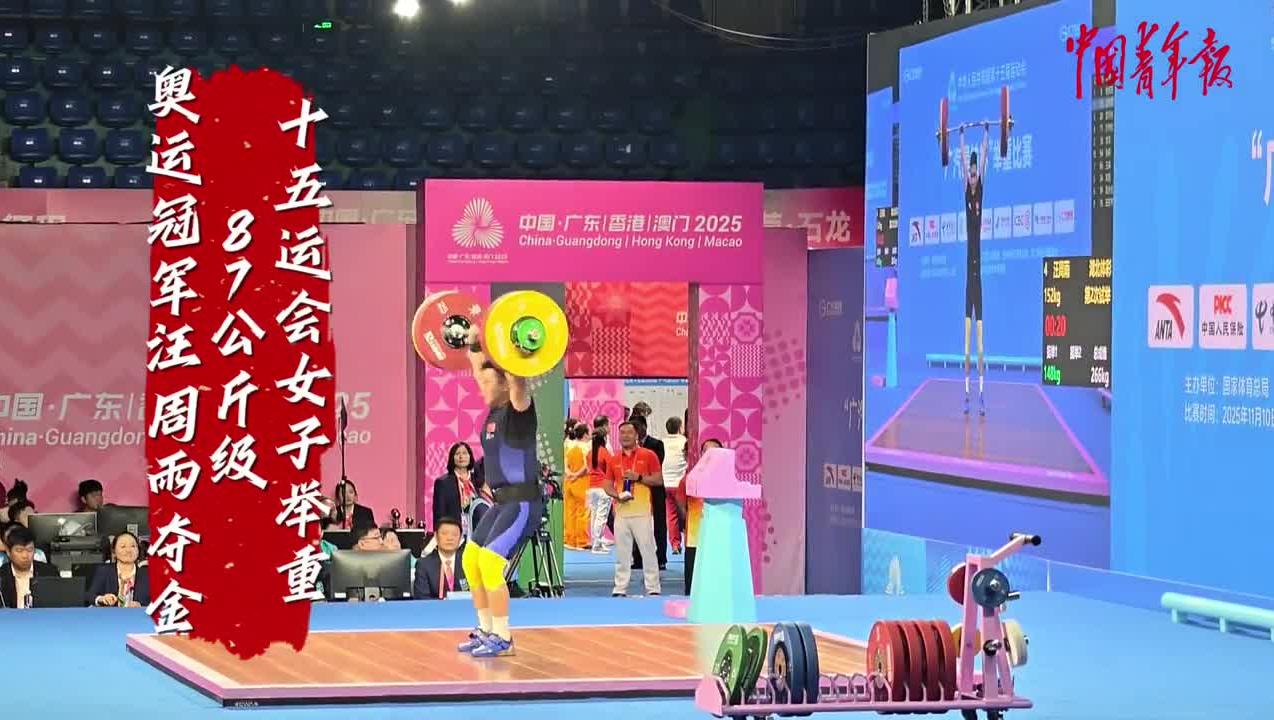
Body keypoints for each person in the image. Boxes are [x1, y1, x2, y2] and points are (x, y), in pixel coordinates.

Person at [456, 324, 542, 658]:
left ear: (505, 383)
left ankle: (503, 638)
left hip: (522, 503)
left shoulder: (520, 412)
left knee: (491, 563)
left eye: (490, 383)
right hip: (501, 502)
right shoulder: (493, 411)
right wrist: (474, 345)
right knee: (471, 559)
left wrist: (512, 355)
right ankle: (486, 629)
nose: (482, 387)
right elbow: (481, 369)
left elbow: (519, 382)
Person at [605, 421, 662, 597]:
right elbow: (607, 484)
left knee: (648, 551)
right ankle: (620, 588)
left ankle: (653, 588)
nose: (625, 436)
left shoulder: (649, 455)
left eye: (629, 432)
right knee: (622, 553)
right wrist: (616, 496)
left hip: (642, 512)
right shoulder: (614, 459)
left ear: (637, 435)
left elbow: (658, 480)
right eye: (622, 433)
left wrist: (639, 477)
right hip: (621, 512)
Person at [960, 123, 990, 416]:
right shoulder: (966, 195)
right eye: (969, 173)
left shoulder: (980, 191)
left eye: (973, 173)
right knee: (966, 343)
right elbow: (961, 159)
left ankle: (981, 393)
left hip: (978, 282)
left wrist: (986, 134)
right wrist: (959, 137)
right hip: (968, 283)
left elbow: (983, 157)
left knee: (980, 342)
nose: (971, 176)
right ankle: (966, 393)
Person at [677, 438, 723, 596]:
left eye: (714, 451)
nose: (710, 455)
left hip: (718, 537)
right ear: (701, 454)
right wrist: (691, 522)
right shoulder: (690, 478)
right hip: (695, 537)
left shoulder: (727, 479)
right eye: (706, 451)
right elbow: (681, 503)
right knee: (693, 582)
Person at [628, 414, 667, 572]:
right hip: (637, 491)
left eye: (637, 427)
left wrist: (640, 474)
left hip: (655, 488)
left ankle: (661, 558)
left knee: (659, 525)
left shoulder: (657, 444)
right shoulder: (630, 447)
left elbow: (656, 465)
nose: (635, 431)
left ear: (645, 426)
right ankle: (637, 558)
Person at [0, 525, 58, 609]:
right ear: (8, 552)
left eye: (30, 550)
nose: (25, 555)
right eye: (19, 550)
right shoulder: (2, 575)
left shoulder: (49, 572)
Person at [432, 442, 483, 536]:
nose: (461, 457)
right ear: (452, 458)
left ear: (470, 456)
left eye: (464, 453)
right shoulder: (443, 482)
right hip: (453, 533)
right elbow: (439, 514)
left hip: (477, 532)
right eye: (457, 454)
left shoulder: (478, 480)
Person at [89, 531, 149, 607]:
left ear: (138, 550)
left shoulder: (149, 574)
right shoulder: (103, 571)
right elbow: (90, 596)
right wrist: (101, 599)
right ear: (114, 551)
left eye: (133, 546)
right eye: (123, 546)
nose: (128, 550)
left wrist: (140, 606)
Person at [414, 517, 467, 599]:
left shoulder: (468, 563)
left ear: (460, 538)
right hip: (434, 607)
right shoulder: (424, 565)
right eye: (444, 533)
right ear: (436, 536)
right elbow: (422, 599)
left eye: (454, 534)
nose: (450, 538)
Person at [662, 416, 689, 555]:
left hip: (666, 483)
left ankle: (675, 544)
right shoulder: (684, 441)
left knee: (671, 515)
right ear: (680, 427)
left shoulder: (662, 442)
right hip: (680, 484)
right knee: (685, 514)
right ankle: (689, 541)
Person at [562, 423, 591, 550]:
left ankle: (570, 540)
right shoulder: (587, 448)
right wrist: (576, 475)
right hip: (581, 482)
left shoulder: (569, 445)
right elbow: (587, 467)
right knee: (582, 512)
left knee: (569, 512)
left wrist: (570, 474)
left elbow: (565, 464)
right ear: (585, 434)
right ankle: (581, 541)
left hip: (569, 482)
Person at [585, 429, 613, 554]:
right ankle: (597, 544)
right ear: (603, 439)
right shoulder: (605, 452)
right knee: (601, 517)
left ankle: (597, 542)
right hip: (603, 487)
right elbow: (610, 468)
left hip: (592, 487)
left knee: (595, 516)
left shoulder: (589, 453)